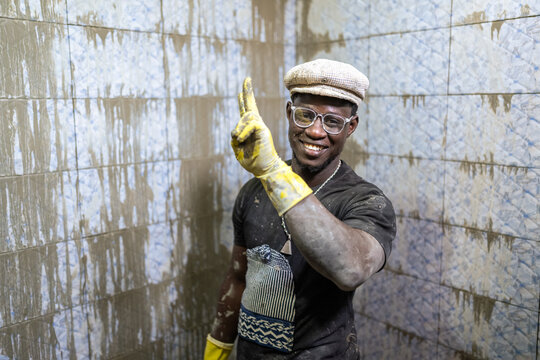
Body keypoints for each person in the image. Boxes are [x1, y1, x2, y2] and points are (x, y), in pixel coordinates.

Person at [204, 59, 396, 359]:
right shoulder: (254, 191)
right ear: (289, 114)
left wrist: (274, 173)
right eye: (305, 116)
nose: (316, 132)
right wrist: (217, 348)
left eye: (332, 122)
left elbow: (351, 269)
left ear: (351, 127)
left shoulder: (366, 200)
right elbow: (239, 277)